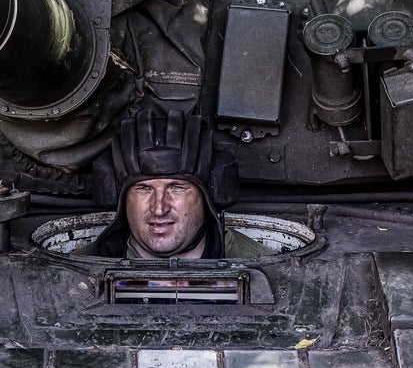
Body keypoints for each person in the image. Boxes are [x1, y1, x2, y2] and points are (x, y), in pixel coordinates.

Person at [78, 109, 274, 258]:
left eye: (177, 187)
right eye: (144, 188)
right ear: (119, 196)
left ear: (210, 195)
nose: (159, 209)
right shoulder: (77, 272)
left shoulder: (261, 267)